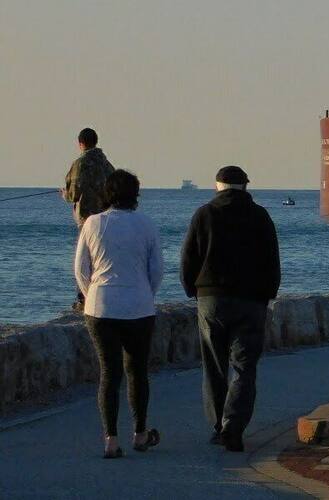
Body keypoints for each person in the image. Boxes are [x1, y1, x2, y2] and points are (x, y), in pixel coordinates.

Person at [181, 166, 280, 452]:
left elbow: (189, 258)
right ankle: (233, 427)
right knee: (245, 367)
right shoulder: (261, 216)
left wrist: (193, 290)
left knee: (214, 365)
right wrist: (268, 294)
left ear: (217, 186)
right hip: (251, 301)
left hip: (211, 299)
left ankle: (217, 426)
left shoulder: (204, 214)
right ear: (245, 187)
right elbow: (272, 260)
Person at [74, 169, 163, 458]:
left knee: (109, 373)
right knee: (137, 371)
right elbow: (157, 270)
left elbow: (81, 269)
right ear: (135, 195)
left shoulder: (93, 223)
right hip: (138, 304)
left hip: (101, 306)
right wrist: (143, 294)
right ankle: (139, 433)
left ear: (106, 193)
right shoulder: (146, 224)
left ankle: (110, 439)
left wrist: (92, 295)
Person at [63, 127, 116, 309]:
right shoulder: (107, 164)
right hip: (107, 218)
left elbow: (73, 193)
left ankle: (83, 298)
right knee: (102, 258)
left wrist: (64, 194)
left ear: (81, 144)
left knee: (84, 259)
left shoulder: (80, 163)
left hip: (87, 220)